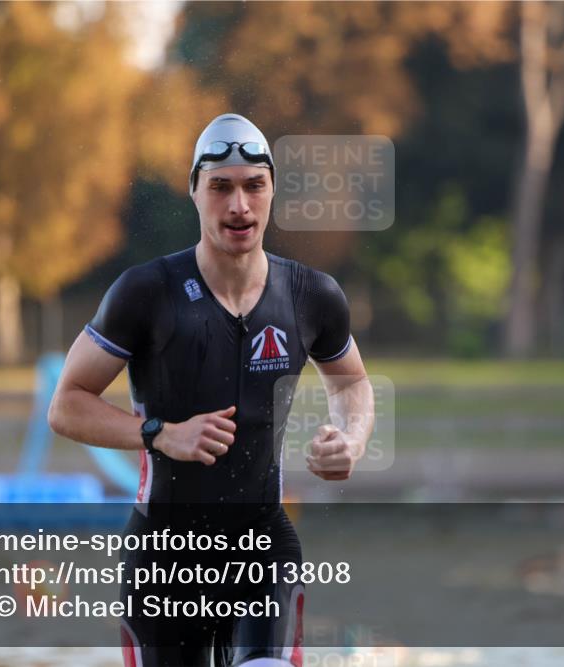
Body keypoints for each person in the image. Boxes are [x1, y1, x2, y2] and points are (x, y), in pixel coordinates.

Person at [48, 113, 375, 667]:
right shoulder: (146, 293)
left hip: (262, 548)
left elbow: (353, 383)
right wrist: (159, 434)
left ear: (273, 190)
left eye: (254, 186)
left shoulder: (311, 295)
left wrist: (352, 439)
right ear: (194, 191)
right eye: (221, 187)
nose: (239, 206)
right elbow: (66, 405)